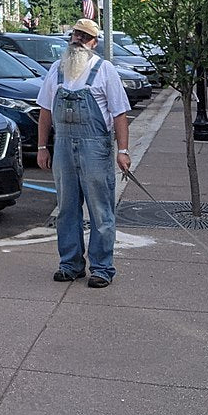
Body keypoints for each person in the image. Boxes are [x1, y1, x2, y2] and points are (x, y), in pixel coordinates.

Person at [36, 18, 131, 288]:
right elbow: (45, 112)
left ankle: (102, 268)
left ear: (94, 42)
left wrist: (122, 151)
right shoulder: (56, 70)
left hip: (95, 148)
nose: (77, 39)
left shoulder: (104, 70)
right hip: (63, 145)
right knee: (66, 209)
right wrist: (43, 147)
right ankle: (70, 264)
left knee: (100, 211)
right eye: (75, 34)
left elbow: (120, 114)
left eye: (84, 36)